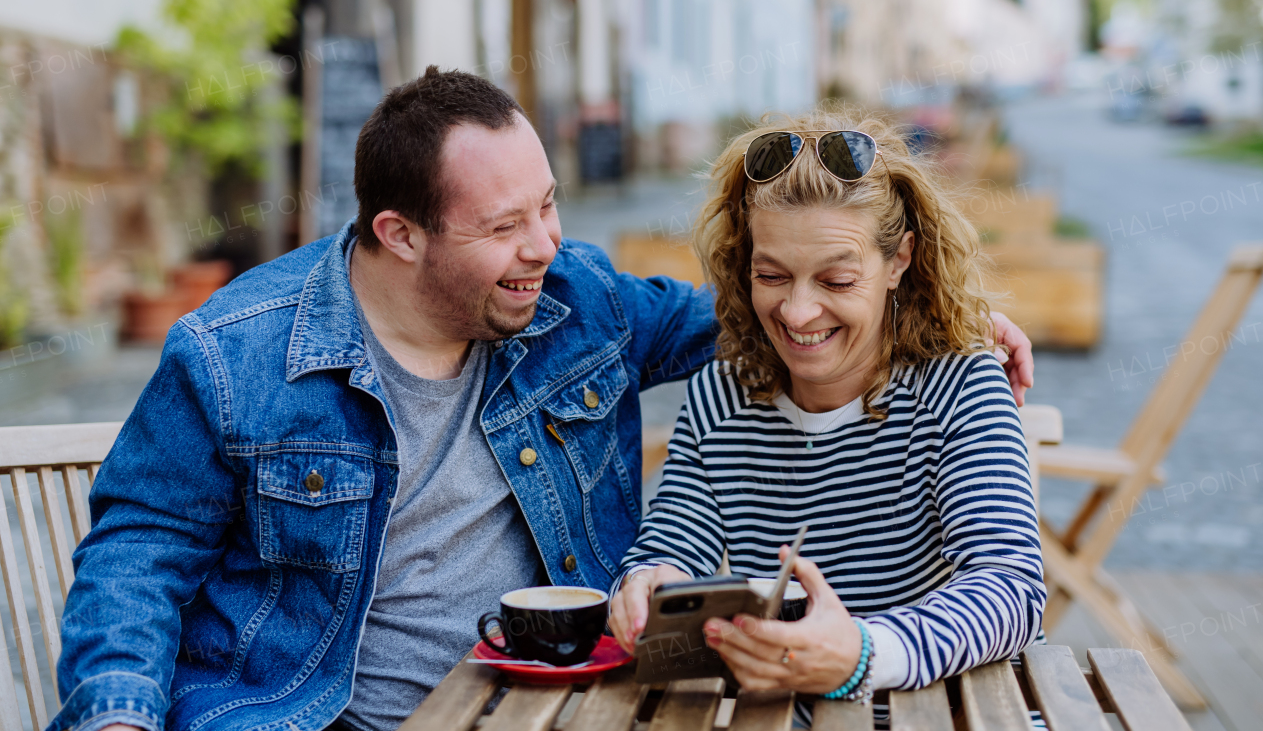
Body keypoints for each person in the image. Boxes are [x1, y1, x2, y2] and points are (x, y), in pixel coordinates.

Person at [53, 71, 1033, 731]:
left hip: (554, 707)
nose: (548, 245)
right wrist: (118, 716)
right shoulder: (237, 354)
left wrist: (949, 315)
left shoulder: (577, 303)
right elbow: (138, 554)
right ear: (399, 233)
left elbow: (771, 309)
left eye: (550, 203)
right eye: (506, 224)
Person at [608, 106, 1045, 722]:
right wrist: (647, 586)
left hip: (952, 710)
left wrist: (862, 654)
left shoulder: (959, 383)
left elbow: (1010, 587)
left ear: (899, 261)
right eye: (771, 274)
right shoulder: (719, 397)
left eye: (837, 280)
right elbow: (674, 546)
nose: (797, 312)